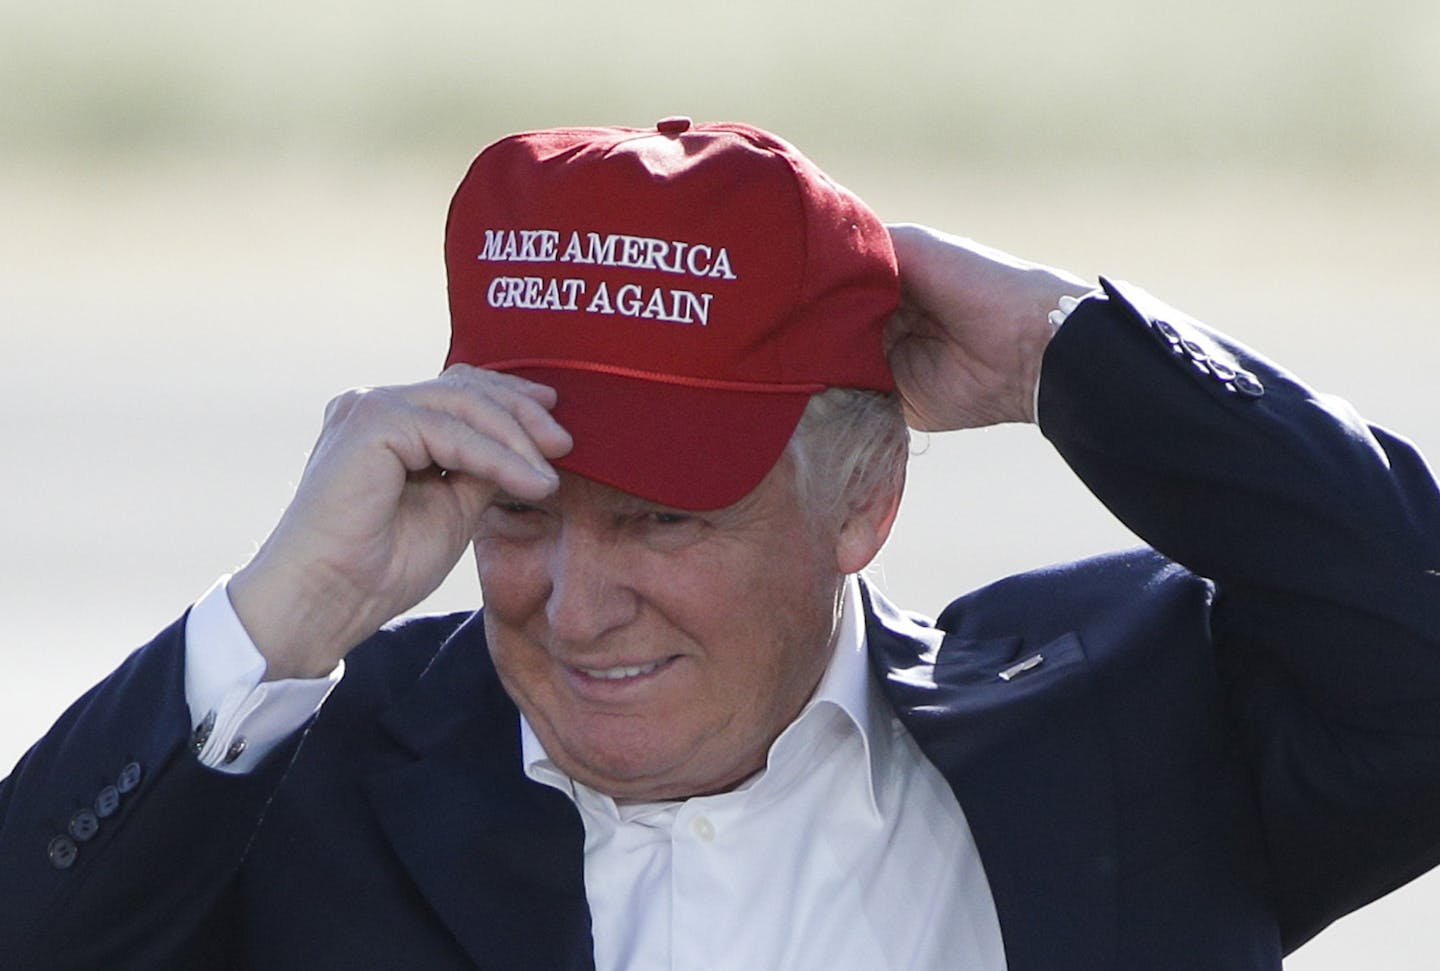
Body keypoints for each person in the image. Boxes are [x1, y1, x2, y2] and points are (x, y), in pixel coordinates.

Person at [1, 117, 1437, 971]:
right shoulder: (295, 781)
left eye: (661, 518)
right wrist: (279, 616)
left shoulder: (1125, 730)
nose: (574, 607)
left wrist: (1077, 355)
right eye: (518, 509)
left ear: (865, 498)